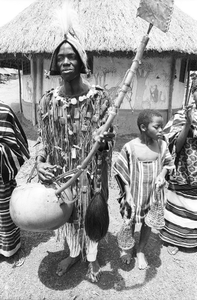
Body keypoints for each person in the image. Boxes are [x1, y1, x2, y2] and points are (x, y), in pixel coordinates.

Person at [36, 6, 114, 283]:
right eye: (61, 57)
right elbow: (43, 141)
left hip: (90, 175)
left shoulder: (99, 99)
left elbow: (108, 141)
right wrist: (40, 163)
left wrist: (103, 143)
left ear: (82, 62)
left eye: (72, 57)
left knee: (90, 216)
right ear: (55, 65)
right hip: (62, 177)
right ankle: (72, 252)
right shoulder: (48, 101)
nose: (66, 61)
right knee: (68, 218)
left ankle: (91, 258)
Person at [114, 109, 174, 269]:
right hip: (134, 194)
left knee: (148, 223)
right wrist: (127, 194)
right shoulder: (130, 147)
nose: (161, 130)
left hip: (153, 195)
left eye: (162, 127)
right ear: (143, 127)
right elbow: (121, 170)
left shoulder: (162, 145)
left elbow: (168, 163)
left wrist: (162, 174)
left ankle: (140, 250)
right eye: (157, 127)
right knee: (131, 221)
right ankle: (127, 248)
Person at [160, 91, 197, 255]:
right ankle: (173, 239)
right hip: (183, 169)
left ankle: (192, 240)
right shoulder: (181, 115)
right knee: (179, 205)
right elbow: (175, 146)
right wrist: (188, 123)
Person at [0, 101, 29, 262]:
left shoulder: (4, 113)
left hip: (1, 179)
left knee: (3, 216)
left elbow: (17, 148)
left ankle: (8, 249)